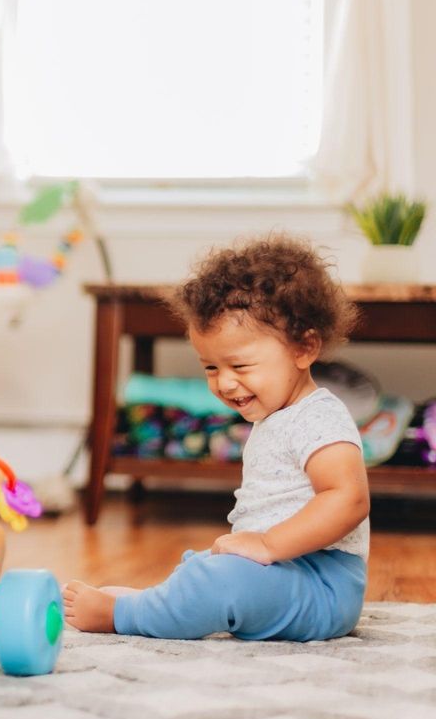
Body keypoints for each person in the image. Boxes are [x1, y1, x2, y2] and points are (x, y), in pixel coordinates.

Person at [63, 235, 370, 642]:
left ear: (304, 347)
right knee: (208, 568)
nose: (225, 383)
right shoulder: (278, 417)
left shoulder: (319, 417)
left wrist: (267, 543)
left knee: (221, 581)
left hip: (323, 584)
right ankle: (164, 599)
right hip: (287, 570)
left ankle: (128, 614)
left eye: (240, 365)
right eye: (210, 367)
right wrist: (255, 549)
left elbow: (348, 499)